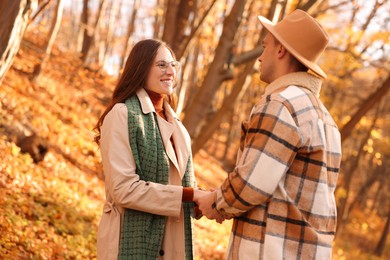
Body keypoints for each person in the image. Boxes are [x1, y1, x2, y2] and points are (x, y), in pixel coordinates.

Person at [195, 9, 342, 259]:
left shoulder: (281, 105)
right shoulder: (326, 119)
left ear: (281, 50)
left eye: (265, 47)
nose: (260, 57)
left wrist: (213, 203)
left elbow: (250, 184)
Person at [94, 39, 207, 259]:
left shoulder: (179, 127)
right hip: (128, 242)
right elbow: (124, 189)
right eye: (162, 65)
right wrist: (190, 195)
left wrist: (201, 200)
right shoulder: (123, 114)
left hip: (173, 242)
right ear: (141, 68)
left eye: (173, 64)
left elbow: (180, 186)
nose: (171, 71)